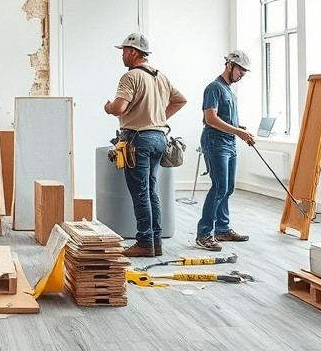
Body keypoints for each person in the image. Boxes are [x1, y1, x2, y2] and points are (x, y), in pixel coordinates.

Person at [104, 33, 186, 258]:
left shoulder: (130, 77)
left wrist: (109, 107)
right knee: (151, 191)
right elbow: (180, 100)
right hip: (159, 139)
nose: (122, 55)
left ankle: (144, 242)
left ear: (133, 52)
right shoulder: (161, 77)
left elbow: (120, 108)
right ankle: (155, 242)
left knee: (141, 193)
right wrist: (158, 118)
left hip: (137, 139)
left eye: (123, 51)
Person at [195, 50, 256, 252]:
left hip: (229, 143)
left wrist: (239, 128)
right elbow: (211, 119)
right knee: (219, 187)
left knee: (228, 188)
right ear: (229, 65)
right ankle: (204, 233)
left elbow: (225, 119)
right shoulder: (214, 88)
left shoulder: (229, 90)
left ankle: (222, 229)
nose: (242, 75)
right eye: (240, 71)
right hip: (215, 142)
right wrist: (238, 131)